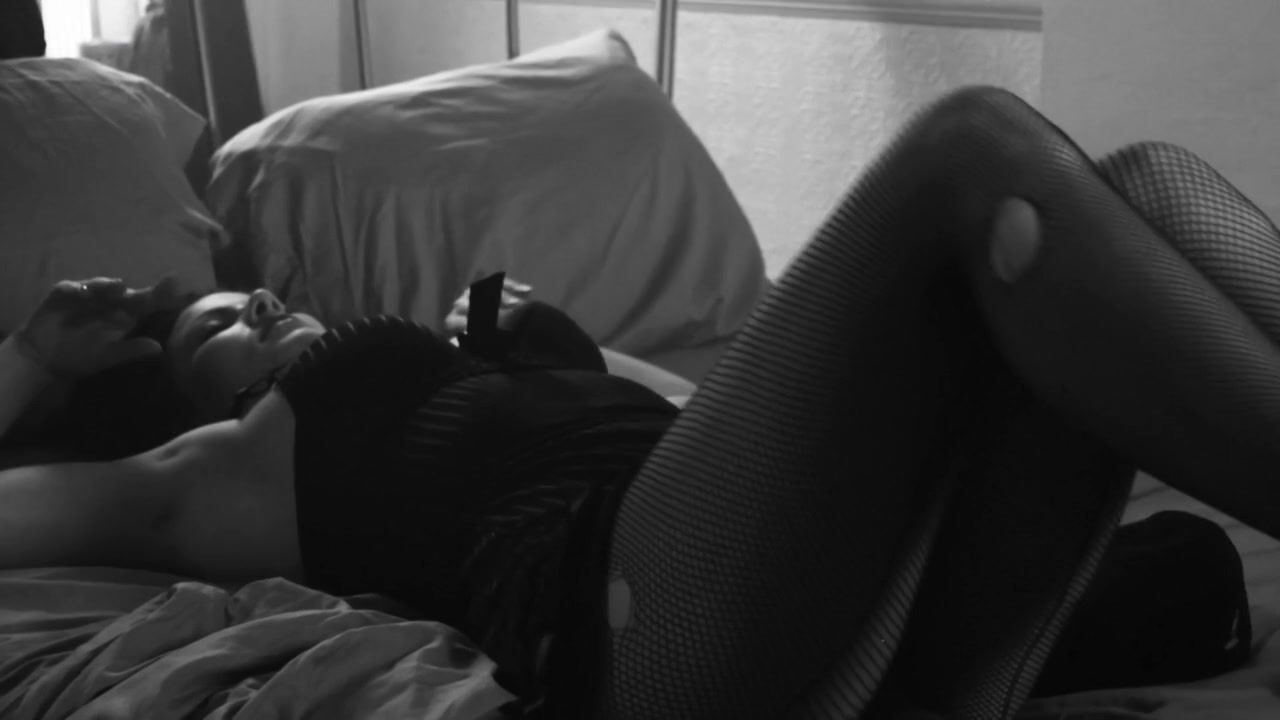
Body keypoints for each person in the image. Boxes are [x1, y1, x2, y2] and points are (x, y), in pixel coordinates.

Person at [1, 86, 1277, 718]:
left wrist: (553, 351)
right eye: (215, 327)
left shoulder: (459, 368)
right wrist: (33, 362)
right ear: (177, 405)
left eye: (252, 292)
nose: (260, 304)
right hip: (634, 617)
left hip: (838, 592)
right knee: (970, 151)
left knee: (1138, 185)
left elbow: (686, 420)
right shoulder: (199, 478)